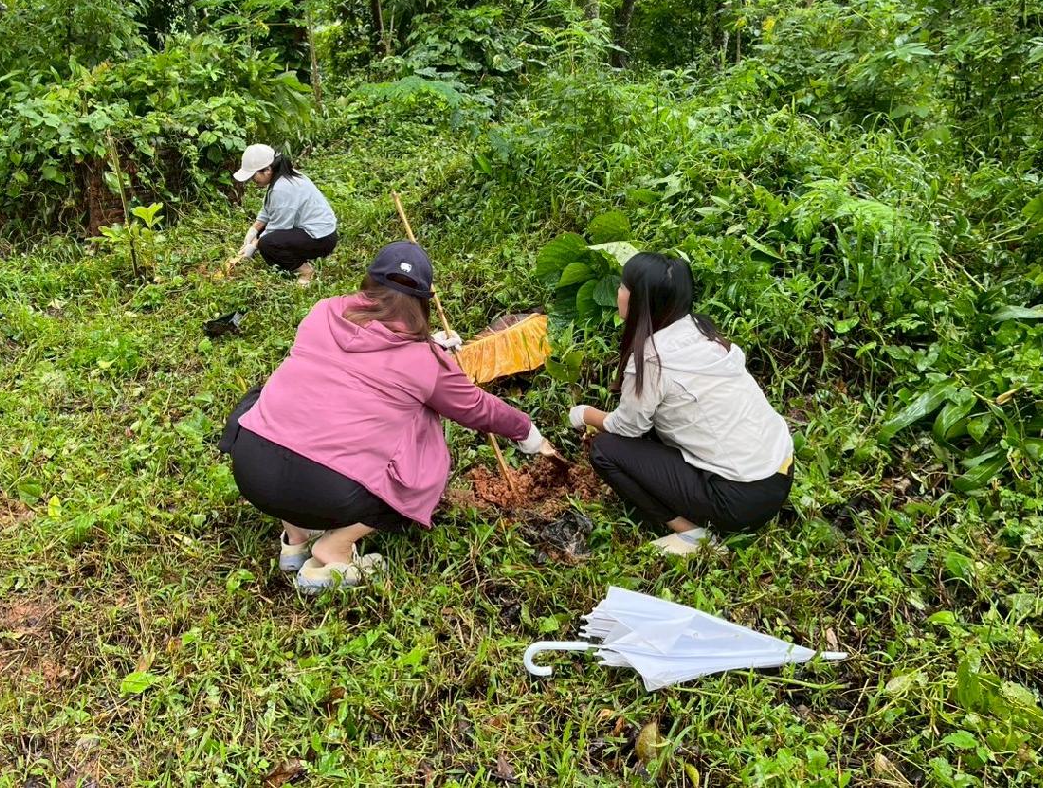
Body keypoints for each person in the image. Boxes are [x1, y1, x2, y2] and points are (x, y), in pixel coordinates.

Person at [219, 241, 559, 591]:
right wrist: (526, 430)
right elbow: (475, 407)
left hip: (252, 469)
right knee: (425, 445)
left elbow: (367, 347)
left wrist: (431, 349)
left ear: (369, 282)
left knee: (279, 404)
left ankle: (295, 540)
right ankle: (334, 549)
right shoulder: (425, 362)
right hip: (326, 489)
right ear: (423, 302)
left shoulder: (322, 312)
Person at [568, 252, 794, 555]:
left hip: (741, 499)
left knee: (605, 450)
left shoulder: (653, 359)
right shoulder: (702, 331)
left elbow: (628, 427)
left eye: (623, 286)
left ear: (640, 300)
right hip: (781, 470)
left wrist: (583, 414)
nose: (618, 292)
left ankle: (693, 535)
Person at [232, 144, 337, 286]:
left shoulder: (282, 188)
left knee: (267, 244)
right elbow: (269, 209)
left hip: (321, 238)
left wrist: (254, 245)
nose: (252, 180)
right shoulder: (283, 177)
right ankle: (289, 259)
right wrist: (254, 229)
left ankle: (306, 271)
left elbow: (279, 227)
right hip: (318, 231)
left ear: (267, 170)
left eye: (253, 176)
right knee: (262, 234)